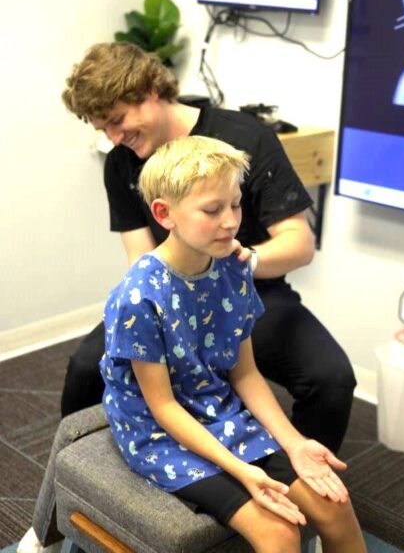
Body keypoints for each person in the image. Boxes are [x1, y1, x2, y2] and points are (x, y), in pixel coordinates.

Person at [61, 41, 356, 455]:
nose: (114, 137)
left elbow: (299, 244)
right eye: (102, 129)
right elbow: (139, 259)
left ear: (148, 92)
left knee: (332, 379)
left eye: (118, 120)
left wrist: (243, 261)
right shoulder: (122, 164)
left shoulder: (245, 137)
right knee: (84, 367)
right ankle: (77, 479)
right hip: (169, 299)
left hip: (252, 293)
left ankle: (303, 478)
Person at [99, 135, 366, 553]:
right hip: (157, 431)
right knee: (279, 535)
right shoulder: (138, 297)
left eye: (236, 205)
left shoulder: (234, 266)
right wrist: (243, 471)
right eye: (212, 210)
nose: (230, 221)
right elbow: (163, 407)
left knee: (335, 505)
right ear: (164, 214)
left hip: (214, 408)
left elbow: (244, 372)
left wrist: (295, 444)